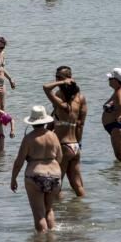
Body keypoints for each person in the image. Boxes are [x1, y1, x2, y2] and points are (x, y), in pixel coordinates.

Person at [10, 105, 63, 232]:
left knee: (39, 214)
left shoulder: (28, 138)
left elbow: (19, 162)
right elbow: (60, 157)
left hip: (35, 175)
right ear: (45, 121)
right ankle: (52, 240)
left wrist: (13, 179)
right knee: (49, 209)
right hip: (55, 175)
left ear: (32, 122)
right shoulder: (53, 136)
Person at [43, 67, 87, 197]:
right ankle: (81, 210)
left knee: (57, 185)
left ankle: (59, 213)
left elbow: (46, 87)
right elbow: (80, 124)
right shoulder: (80, 99)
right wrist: (79, 144)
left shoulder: (61, 101)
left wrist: (62, 83)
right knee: (77, 185)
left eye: (59, 78)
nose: (56, 80)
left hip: (63, 146)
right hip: (75, 146)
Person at [101, 68, 121, 162]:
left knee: (120, 157)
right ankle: (119, 174)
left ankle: (120, 175)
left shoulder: (120, 91)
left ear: (116, 80)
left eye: (110, 79)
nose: (108, 80)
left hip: (117, 128)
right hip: (115, 128)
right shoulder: (118, 91)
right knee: (120, 158)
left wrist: (118, 116)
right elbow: (119, 104)